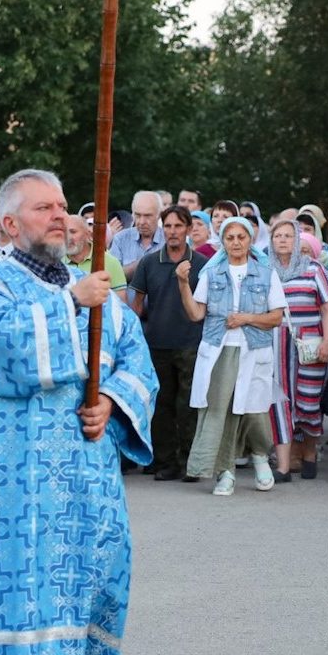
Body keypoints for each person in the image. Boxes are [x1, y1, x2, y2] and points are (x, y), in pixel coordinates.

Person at [0, 169, 154, 655]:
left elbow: (135, 362)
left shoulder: (98, 295)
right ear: (10, 224)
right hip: (22, 473)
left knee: (97, 566)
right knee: (30, 577)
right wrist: (70, 303)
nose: (62, 216)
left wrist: (112, 402)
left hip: (89, 469)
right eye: (45, 208)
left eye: (64, 206)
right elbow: (4, 347)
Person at [181, 216, 286, 495]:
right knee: (221, 411)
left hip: (254, 349)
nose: (236, 242)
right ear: (223, 241)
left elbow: (276, 317)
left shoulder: (266, 273)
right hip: (219, 350)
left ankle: (260, 457)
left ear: (251, 240)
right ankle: (224, 472)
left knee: (254, 411)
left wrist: (246, 318)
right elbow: (196, 313)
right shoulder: (211, 273)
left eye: (242, 237)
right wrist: (182, 283)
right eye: (230, 238)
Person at [129, 205, 203, 483]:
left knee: (189, 405)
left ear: (188, 229)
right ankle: (165, 462)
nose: (173, 231)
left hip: (191, 342)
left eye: (178, 226)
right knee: (161, 405)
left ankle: (189, 462)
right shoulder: (149, 262)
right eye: (168, 226)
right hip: (157, 343)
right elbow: (135, 305)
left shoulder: (201, 263)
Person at [267, 218, 328, 482]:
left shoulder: (313, 269)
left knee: (308, 402)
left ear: (297, 240)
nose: (282, 240)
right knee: (281, 403)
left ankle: (309, 451)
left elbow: (327, 308)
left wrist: (327, 341)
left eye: (288, 235)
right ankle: (286, 463)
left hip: (309, 345)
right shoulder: (265, 270)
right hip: (275, 345)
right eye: (278, 236)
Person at [66, 214, 127, 300]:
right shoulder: (55, 262)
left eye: (73, 232)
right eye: (64, 232)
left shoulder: (110, 262)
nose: (67, 237)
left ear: (88, 234)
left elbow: (121, 303)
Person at [108, 190, 164, 275]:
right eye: (137, 215)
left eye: (147, 216)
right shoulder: (120, 239)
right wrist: (143, 263)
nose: (141, 221)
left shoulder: (169, 240)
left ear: (159, 215)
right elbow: (112, 277)